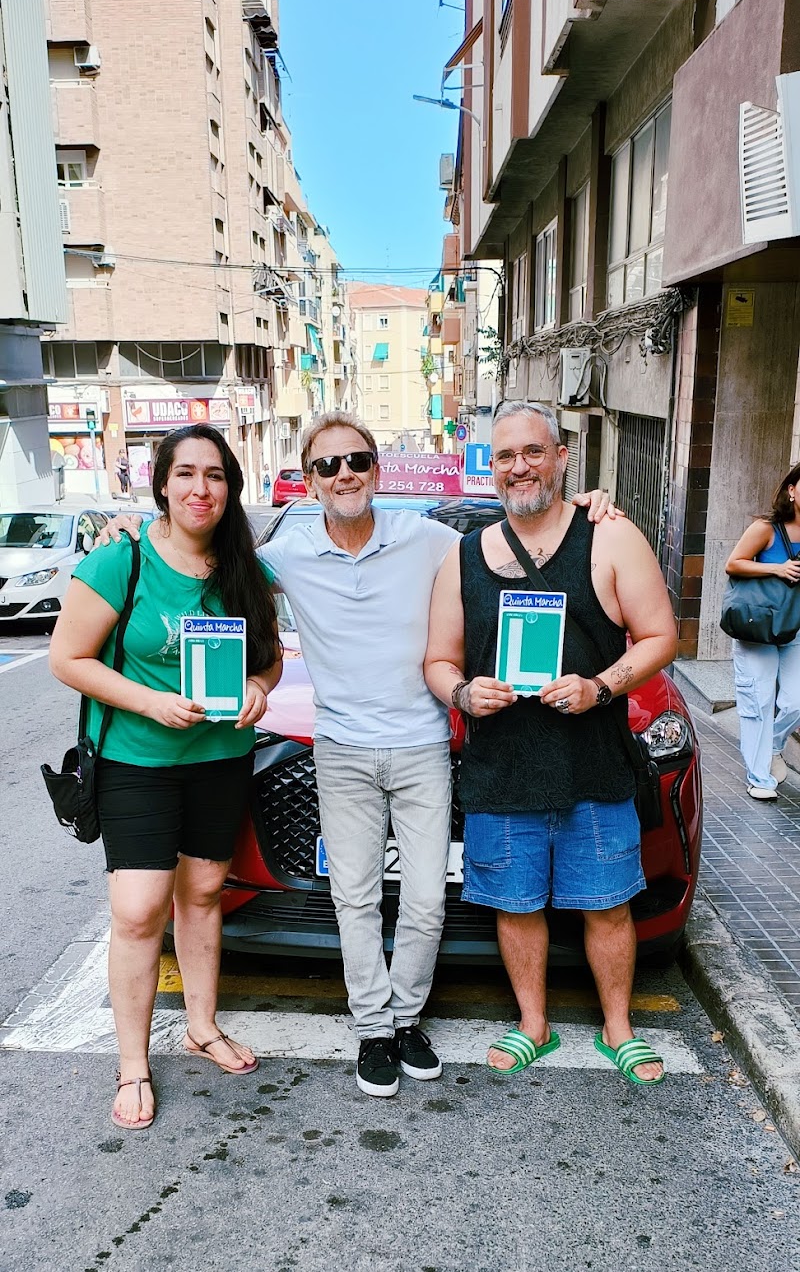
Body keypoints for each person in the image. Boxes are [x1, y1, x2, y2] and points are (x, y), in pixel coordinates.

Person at [101, 410, 617, 1100]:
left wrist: (586, 506)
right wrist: (128, 529)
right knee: (355, 899)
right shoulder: (284, 552)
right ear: (310, 482)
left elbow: (513, 526)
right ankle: (374, 1027)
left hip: (422, 747)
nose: (343, 474)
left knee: (428, 900)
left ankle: (407, 1019)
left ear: (377, 469)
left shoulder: (430, 537)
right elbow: (192, 551)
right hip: (340, 748)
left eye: (357, 461)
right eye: (326, 465)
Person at [424, 401, 677, 1086]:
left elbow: (661, 635)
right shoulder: (465, 556)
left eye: (533, 451)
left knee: (608, 902)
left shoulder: (611, 537)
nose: (519, 467)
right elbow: (438, 660)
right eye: (505, 456)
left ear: (562, 457)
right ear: (491, 469)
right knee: (516, 905)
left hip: (591, 765)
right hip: (501, 770)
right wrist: (462, 693)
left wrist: (602, 685)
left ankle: (619, 1026)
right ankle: (533, 1022)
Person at [49, 425, 282, 1130]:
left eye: (214, 475)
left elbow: (268, 658)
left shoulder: (247, 567)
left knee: (205, 891)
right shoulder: (122, 558)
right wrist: (150, 700)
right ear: (161, 484)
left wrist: (259, 688)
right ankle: (132, 1064)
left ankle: (201, 1026)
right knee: (140, 907)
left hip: (217, 759)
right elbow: (68, 658)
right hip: (135, 762)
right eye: (185, 473)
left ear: (230, 488)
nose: (200, 488)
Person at [724, 466, 800, 800]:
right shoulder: (766, 528)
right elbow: (734, 563)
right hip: (760, 626)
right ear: (792, 491)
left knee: (795, 699)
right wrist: (777, 567)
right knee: (759, 699)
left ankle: (772, 746)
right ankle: (760, 779)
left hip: (795, 627)